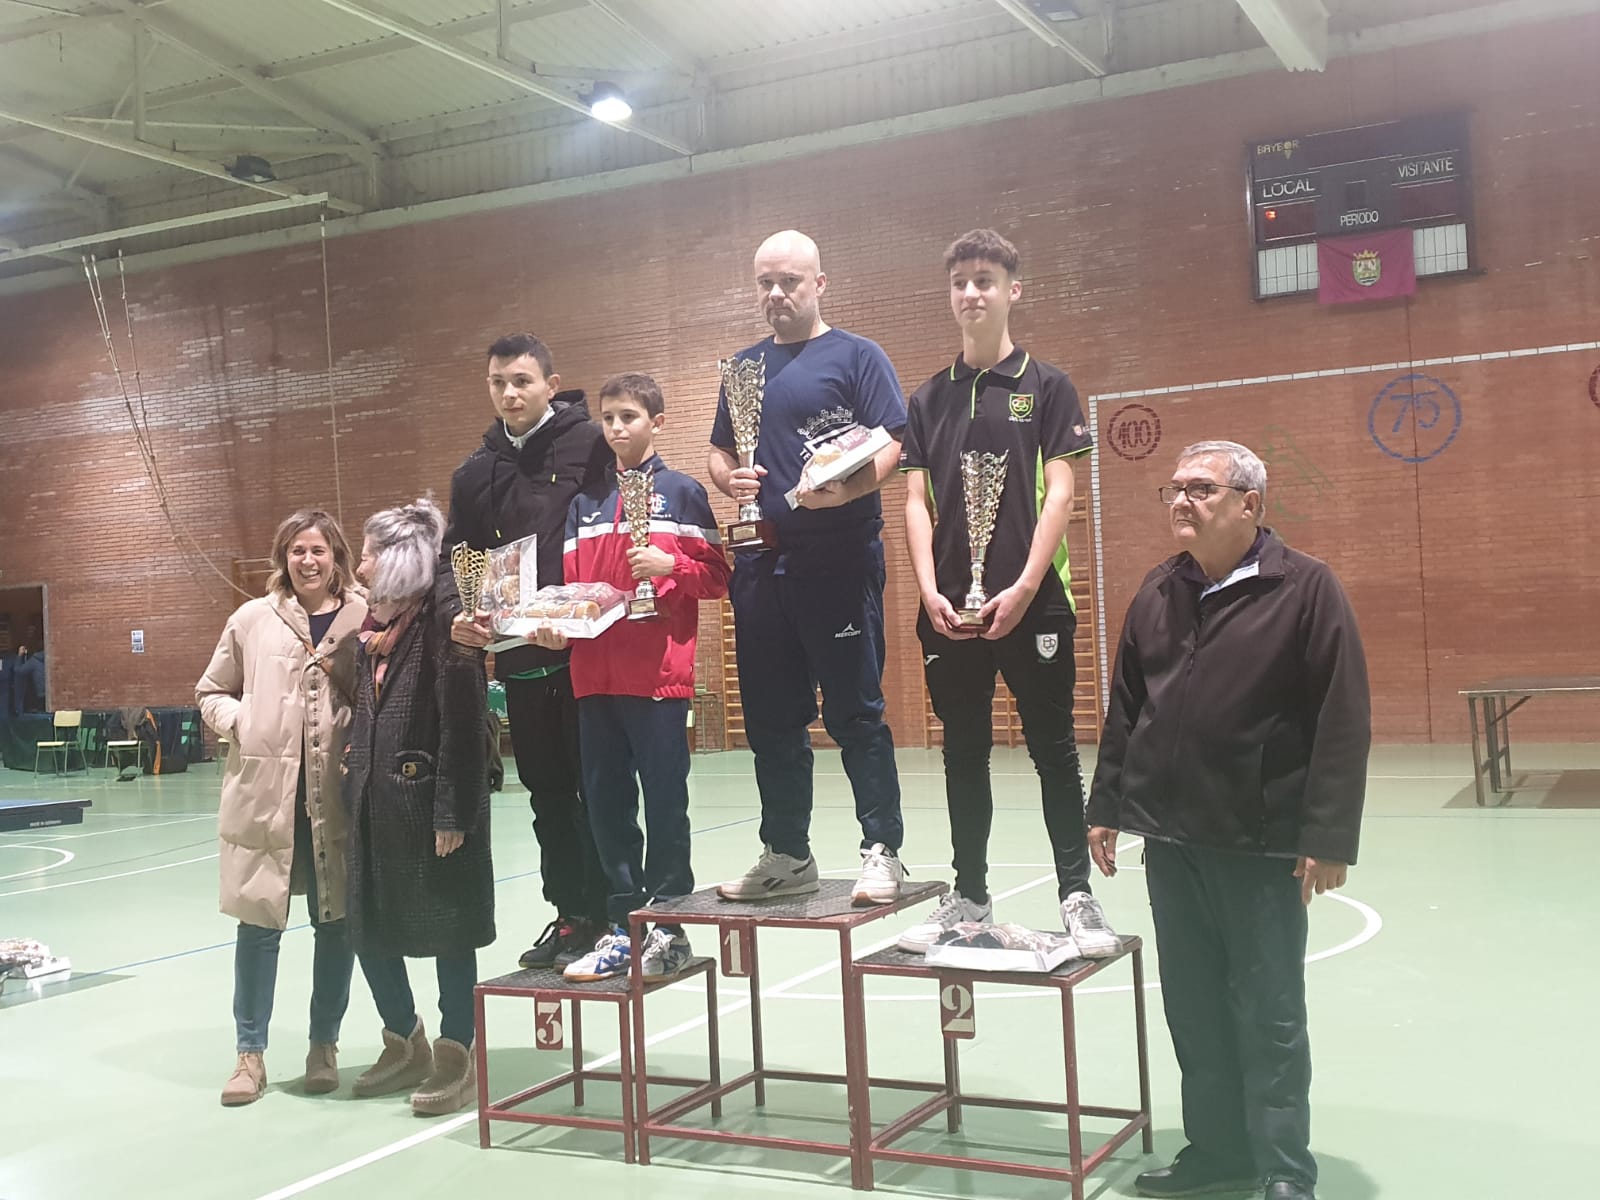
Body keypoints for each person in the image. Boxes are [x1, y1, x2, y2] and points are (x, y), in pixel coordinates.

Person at [1086, 441, 1371, 1200]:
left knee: (1269, 1012)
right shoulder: (1157, 590)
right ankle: (1217, 1152)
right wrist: (1108, 804)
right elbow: (1128, 708)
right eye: (1174, 488)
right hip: (1172, 842)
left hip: (1259, 844)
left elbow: (1341, 718)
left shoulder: (1306, 589)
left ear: (1250, 504)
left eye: (1201, 488)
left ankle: (1284, 1170)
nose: (1182, 500)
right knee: (1195, 1008)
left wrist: (1328, 835)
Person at [897, 229, 1118, 957]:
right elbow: (915, 503)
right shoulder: (927, 398)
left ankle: (1076, 894)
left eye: (985, 280)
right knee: (963, 753)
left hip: (1034, 606)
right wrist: (929, 589)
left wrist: (1023, 588)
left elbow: (1061, 495)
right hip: (949, 612)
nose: (972, 293)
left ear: (1012, 290)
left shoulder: (1048, 388)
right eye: (960, 281)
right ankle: (969, 893)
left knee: (1055, 751)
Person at [708, 229, 909, 905]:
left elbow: (893, 443)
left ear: (819, 283)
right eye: (765, 282)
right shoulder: (742, 370)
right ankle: (788, 853)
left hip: (840, 561)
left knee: (856, 712)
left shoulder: (857, 356)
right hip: (762, 566)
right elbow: (717, 453)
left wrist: (849, 490)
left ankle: (882, 849)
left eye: (789, 281)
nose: (776, 294)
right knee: (770, 718)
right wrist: (729, 479)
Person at [527, 372, 731, 981]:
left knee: (666, 805)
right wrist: (552, 622)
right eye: (609, 419)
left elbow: (719, 580)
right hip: (593, 678)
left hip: (658, 679)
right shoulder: (584, 504)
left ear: (656, 422)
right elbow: (572, 591)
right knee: (607, 809)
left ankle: (666, 927)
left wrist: (670, 567)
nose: (617, 428)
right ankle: (623, 925)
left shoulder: (685, 493)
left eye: (629, 417)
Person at [445, 333, 611, 968]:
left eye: (521, 380)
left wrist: (582, 611)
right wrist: (462, 613)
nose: (509, 393)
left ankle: (619, 911)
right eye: (497, 383)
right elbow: (456, 560)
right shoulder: (474, 472)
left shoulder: (591, 444)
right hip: (520, 657)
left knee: (600, 789)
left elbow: (616, 528)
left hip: (587, 655)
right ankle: (570, 915)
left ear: (550, 382)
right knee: (546, 794)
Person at [196, 510, 367, 1107]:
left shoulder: (363, 617)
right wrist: (239, 719)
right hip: (265, 796)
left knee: (335, 922)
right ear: (283, 557)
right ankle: (249, 1056)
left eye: (319, 549)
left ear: (337, 556)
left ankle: (324, 1045)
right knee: (258, 925)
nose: (308, 561)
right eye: (297, 550)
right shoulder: (250, 619)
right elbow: (210, 691)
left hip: (336, 796)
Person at [344, 498, 494, 1117]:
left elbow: (464, 719)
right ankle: (403, 1039)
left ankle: (458, 1048)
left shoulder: (446, 622)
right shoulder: (373, 628)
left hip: (432, 804)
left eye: (370, 551)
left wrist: (453, 813)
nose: (359, 562)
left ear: (399, 558)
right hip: (371, 802)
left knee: (449, 927)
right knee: (369, 924)